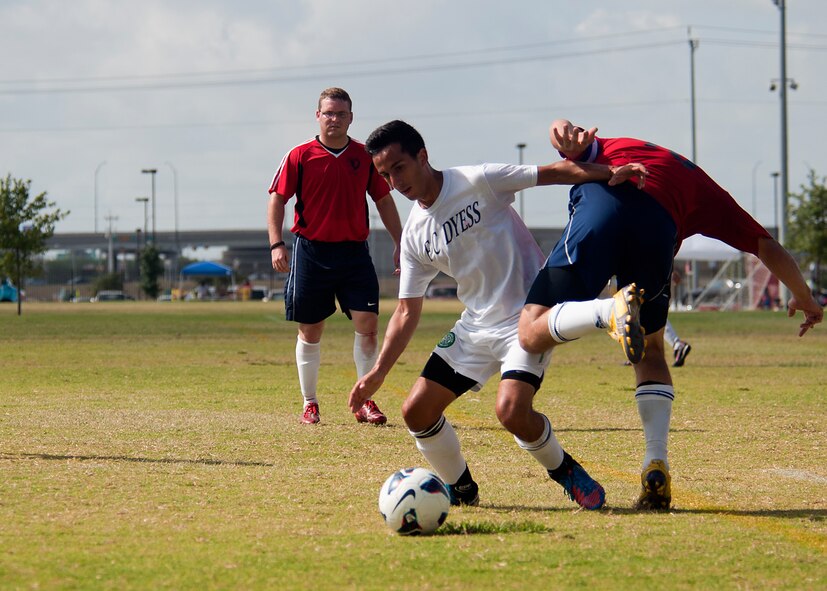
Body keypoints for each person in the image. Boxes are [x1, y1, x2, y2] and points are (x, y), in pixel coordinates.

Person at [518, 119, 824, 510]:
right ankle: (655, 459)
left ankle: (606, 312)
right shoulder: (707, 189)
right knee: (651, 352)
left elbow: (568, 135)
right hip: (658, 233)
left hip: (601, 211)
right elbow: (768, 247)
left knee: (530, 331)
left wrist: (558, 132)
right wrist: (807, 299)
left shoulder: (620, 146)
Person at [348, 119, 647, 509]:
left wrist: (610, 173)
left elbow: (552, 172)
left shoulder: (478, 180)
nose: (394, 183)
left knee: (510, 411)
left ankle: (566, 471)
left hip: (529, 315)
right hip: (476, 325)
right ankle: (461, 488)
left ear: (422, 156)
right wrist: (378, 373)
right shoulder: (414, 235)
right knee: (416, 411)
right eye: (385, 176)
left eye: (398, 168)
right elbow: (406, 310)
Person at [267, 87, 404, 426]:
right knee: (310, 331)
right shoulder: (300, 155)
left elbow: (384, 201)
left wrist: (401, 242)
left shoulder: (364, 156)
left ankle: (365, 400)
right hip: (311, 251)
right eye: (328, 113)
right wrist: (276, 243)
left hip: (354, 252)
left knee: (368, 327)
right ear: (318, 116)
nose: (334, 119)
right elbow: (277, 199)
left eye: (341, 114)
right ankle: (309, 403)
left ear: (351, 118)